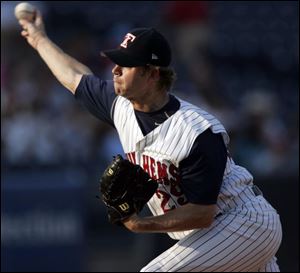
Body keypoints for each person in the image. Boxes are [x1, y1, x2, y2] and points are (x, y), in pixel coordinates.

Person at [18, 9, 282, 272]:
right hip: (208, 237)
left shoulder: (196, 130)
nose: (116, 70)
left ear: (153, 74)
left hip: (242, 222)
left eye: (126, 64)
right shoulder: (118, 105)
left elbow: (202, 213)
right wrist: (39, 38)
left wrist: (139, 224)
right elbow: (74, 76)